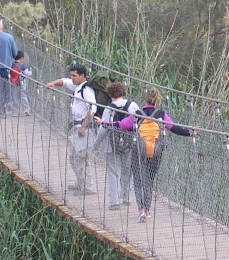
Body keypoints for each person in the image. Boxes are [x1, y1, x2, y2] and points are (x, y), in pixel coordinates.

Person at [100, 88, 196, 223]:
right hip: (156, 151)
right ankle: (148, 208)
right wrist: (191, 133)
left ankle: (141, 210)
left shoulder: (138, 114)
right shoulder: (161, 115)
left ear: (145, 100)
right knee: (149, 180)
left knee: (139, 181)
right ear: (157, 101)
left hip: (139, 149)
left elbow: (121, 125)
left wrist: (104, 122)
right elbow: (175, 128)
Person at [45, 65, 97, 195]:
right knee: (73, 157)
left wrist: (83, 127)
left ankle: (88, 187)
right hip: (78, 128)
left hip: (83, 129)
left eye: (74, 75)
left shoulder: (86, 89)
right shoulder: (77, 86)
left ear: (82, 76)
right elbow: (64, 81)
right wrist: (53, 83)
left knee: (81, 158)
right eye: (71, 75)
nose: (71, 78)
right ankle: (81, 183)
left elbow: (92, 109)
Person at [93, 82, 140, 210]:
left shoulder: (109, 109)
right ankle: (126, 197)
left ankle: (114, 202)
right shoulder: (133, 106)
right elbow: (139, 123)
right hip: (129, 143)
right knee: (127, 171)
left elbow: (103, 128)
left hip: (111, 144)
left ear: (110, 94)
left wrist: (95, 145)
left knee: (113, 173)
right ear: (123, 92)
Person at [7, 50, 32, 116]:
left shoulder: (12, 64)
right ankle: (27, 109)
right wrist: (31, 72)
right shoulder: (23, 65)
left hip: (13, 83)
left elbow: (9, 72)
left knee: (15, 97)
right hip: (22, 83)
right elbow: (27, 74)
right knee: (24, 96)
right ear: (21, 58)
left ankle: (15, 112)